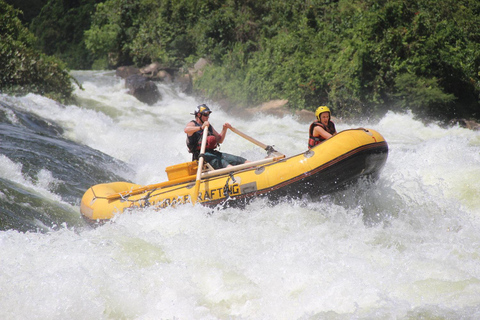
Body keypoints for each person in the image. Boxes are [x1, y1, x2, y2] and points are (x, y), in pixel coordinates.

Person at [184, 104, 248, 169]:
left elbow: (220, 140)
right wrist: (201, 127)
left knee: (239, 160)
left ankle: (253, 166)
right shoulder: (193, 124)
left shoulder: (208, 126)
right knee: (225, 164)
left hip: (213, 153)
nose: (207, 117)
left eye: (208, 114)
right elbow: (186, 130)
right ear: (198, 115)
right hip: (201, 157)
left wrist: (224, 129)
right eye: (205, 114)